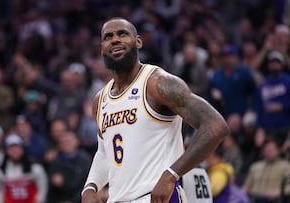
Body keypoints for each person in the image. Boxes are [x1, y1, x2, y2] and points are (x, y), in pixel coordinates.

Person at [81, 18, 229, 203]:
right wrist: (90, 186)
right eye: (108, 36)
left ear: (138, 42)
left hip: (157, 196)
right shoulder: (100, 100)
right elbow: (104, 152)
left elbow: (216, 125)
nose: (115, 39)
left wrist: (171, 174)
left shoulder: (157, 83)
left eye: (122, 34)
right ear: (102, 47)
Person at [0, 134, 48, 203]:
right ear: (7, 151)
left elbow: (42, 188)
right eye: (11, 148)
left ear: (22, 149)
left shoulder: (35, 168)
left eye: (17, 147)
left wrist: (39, 200)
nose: (14, 151)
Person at [242, 138, 290, 203]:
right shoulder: (255, 166)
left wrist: (277, 193)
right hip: (253, 198)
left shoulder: (286, 166)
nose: (268, 152)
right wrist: (241, 194)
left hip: (273, 200)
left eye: (271, 150)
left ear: (278, 150)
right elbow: (246, 186)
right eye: (266, 150)